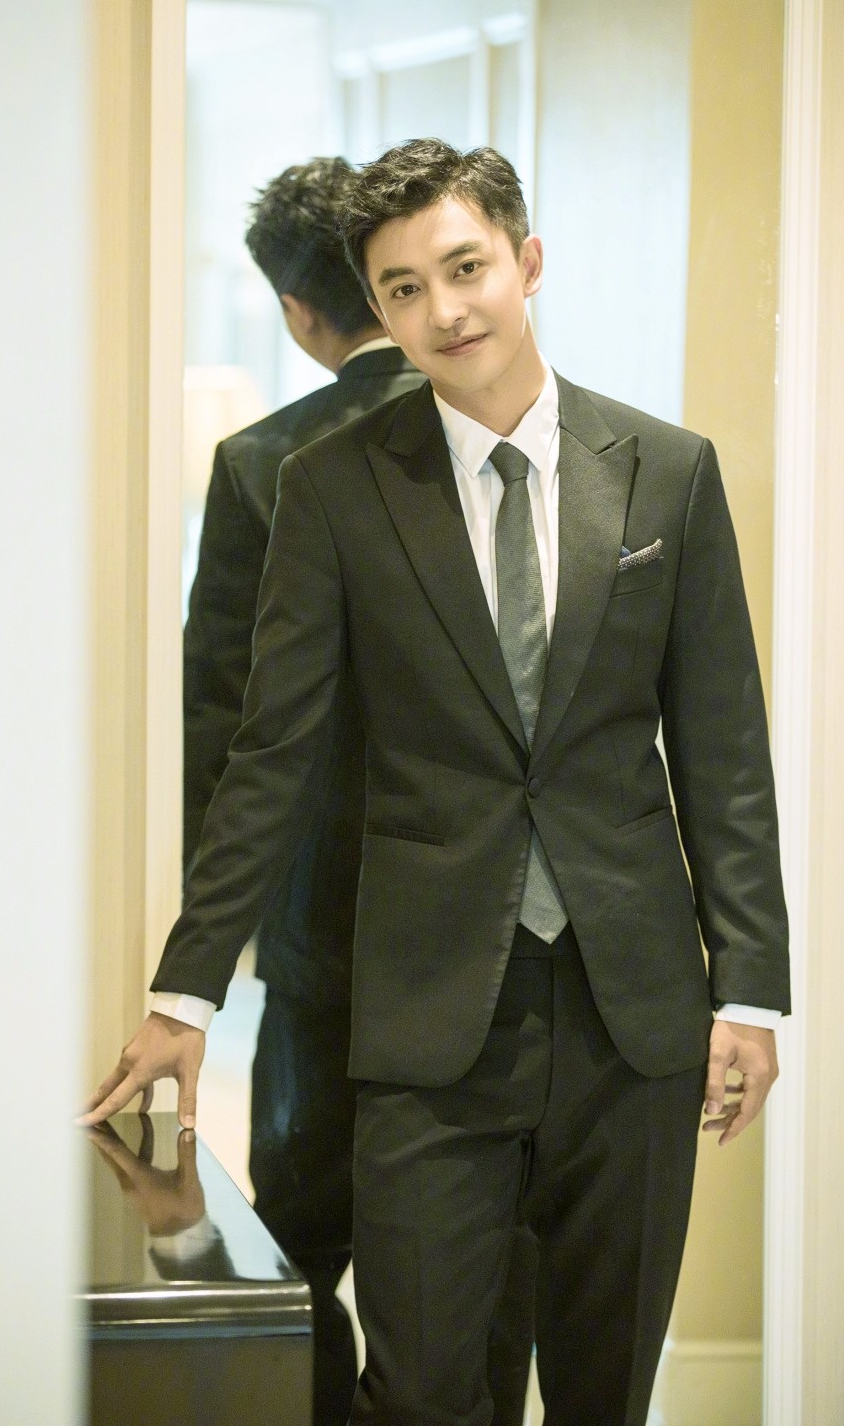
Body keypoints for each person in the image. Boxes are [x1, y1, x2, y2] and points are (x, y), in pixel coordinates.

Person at [83, 140, 790, 1426]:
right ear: (376, 306)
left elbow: (722, 747)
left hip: (633, 1013)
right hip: (425, 1013)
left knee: (604, 1390)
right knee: (417, 1391)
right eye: (402, 289)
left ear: (527, 261)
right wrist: (187, 990)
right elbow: (269, 754)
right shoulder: (332, 488)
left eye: (464, 269)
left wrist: (747, 989)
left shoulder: (666, 470)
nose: (443, 310)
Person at [182, 157, 420, 1426]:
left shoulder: (259, 465)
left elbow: (218, 724)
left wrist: (196, 945)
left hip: (319, 921)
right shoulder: (510, 440)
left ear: (294, 310)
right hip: (501, 935)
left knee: (301, 1239)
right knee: (475, 1252)